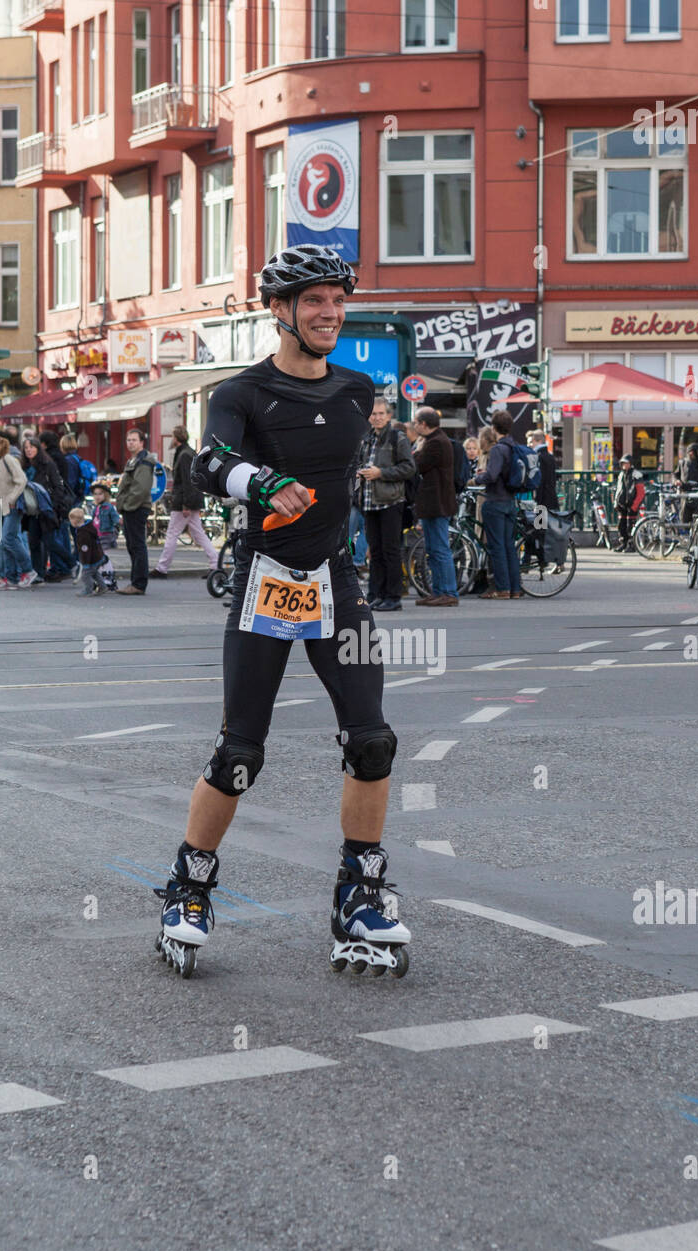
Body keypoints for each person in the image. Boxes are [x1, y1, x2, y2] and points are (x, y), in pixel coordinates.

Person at [154, 243, 410, 977]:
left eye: (338, 300)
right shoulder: (241, 393)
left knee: (373, 741)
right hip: (264, 582)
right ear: (279, 312)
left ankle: (360, 893)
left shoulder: (359, 390)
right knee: (241, 754)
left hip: (336, 583)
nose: (330, 313)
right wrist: (263, 485)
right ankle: (189, 888)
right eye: (314, 301)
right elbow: (205, 465)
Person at [355, 397, 415, 612]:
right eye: (374, 414)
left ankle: (393, 596)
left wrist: (381, 473)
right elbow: (361, 463)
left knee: (390, 550)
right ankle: (375, 594)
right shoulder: (367, 437)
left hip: (390, 501)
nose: (377, 417)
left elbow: (409, 468)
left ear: (389, 415)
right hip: (370, 502)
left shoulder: (397, 437)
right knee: (376, 551)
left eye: (381, 414)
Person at [150, 425, 220, 578]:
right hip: (188, 500)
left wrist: (186, 504)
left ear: (176, 439)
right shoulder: (187, 453)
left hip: (183, 501)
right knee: (198, 533)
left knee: (172, 533)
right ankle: (215, 564)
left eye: (173, 437)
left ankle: (162, 568)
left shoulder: (184, 455)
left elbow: (188, 482)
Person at [472, 409, 522, 599]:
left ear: (493, 428)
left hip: (495, 501)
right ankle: (515, 589)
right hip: (510, 501)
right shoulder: (513, 446)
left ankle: (502, 588)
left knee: (497, 547)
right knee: (509, 546)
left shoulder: (498, 449)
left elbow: (492, 475)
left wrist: (476, 480)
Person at [412, 406, 458, 607]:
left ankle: (448, 592)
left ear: (423, 424)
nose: (414, 426)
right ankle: (439, 591)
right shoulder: (438, 440)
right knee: (434, 549)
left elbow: (418, 465)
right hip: (435, 503)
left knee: (439, 549)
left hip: (437, 503)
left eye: (416, 423)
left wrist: (417, 452)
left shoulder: (435, 443)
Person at [0, 432, 37, 589]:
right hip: (0, 507)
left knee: (9, 538)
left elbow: (21, 480)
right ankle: (11, 578)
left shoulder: (8, 459)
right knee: (3, 542)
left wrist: (12, 498)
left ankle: (28, 570)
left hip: (12, 506)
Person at [21, 435, 72, 583]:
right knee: (34, 542)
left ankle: (73, 564)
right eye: (26, 448)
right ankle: (39, 574)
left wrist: (53, 505)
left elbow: (58, 486)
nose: (29, 450)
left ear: (38, 448)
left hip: (45, 509)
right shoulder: (24, 466)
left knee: (50, 542)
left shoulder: (47, 464)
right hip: (30, 510)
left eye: (32, 447)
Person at [114, 427, 154, 594]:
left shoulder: (144, 460)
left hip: (136, 508)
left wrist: (127, 506)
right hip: (131, 508)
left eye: (134, 440)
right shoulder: (135, 459)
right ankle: (135, 582)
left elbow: (140, 488)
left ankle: (138, 584)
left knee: (137, 546)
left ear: (141, 442)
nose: (130, 443)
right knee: (133, 545)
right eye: (128, 440)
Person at [69, 506, 109, 596]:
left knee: (86, 575)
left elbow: (85, 550)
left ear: (74, 521)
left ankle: (88, 589)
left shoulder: (83, 534)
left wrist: (85, 563)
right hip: (98, 556)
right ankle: (103, 587)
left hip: (91, 559)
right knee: (94, 572)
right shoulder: (88, 528)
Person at [89, 482, 120, 590]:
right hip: (97, 536)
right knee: (100, 558)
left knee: (102, 557)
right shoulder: (95, 509)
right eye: (95, 494)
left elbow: (116, 519)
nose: (97, 496)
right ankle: (104, 578)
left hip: (106, 535)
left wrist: (116, 528)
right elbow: (93, 522)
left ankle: (108, 577)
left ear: (105, 495)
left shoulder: (109, 507)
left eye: (100, 494)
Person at [614, 453, 645, 551]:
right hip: (622, 504)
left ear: (631, 463)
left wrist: (635, 506)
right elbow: (618, 490)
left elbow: (641, 492)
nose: (624, 465)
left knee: (631, 525)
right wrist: (616, 502)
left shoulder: (637, 475)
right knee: (621, 525)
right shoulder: (621, 474)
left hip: (632, 505)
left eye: (626, 463)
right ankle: (623, 543)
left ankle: (632, 545)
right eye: (623, 463)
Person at [674, 443, 698, 523]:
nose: (691, 454)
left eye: (693, 452)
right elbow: (675, 474)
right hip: (685, 493)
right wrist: (676, 481)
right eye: (690, 452)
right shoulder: (682, 462)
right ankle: (686, 534)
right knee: (684, 518)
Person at [529, 429, 559, 511]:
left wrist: (537, 500)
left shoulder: (538, 457)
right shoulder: (550, 456)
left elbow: (540, 480)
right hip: (551, 497)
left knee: (541, 523)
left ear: (537, 441)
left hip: (542, 500)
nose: (531, 445)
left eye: (532, 442)